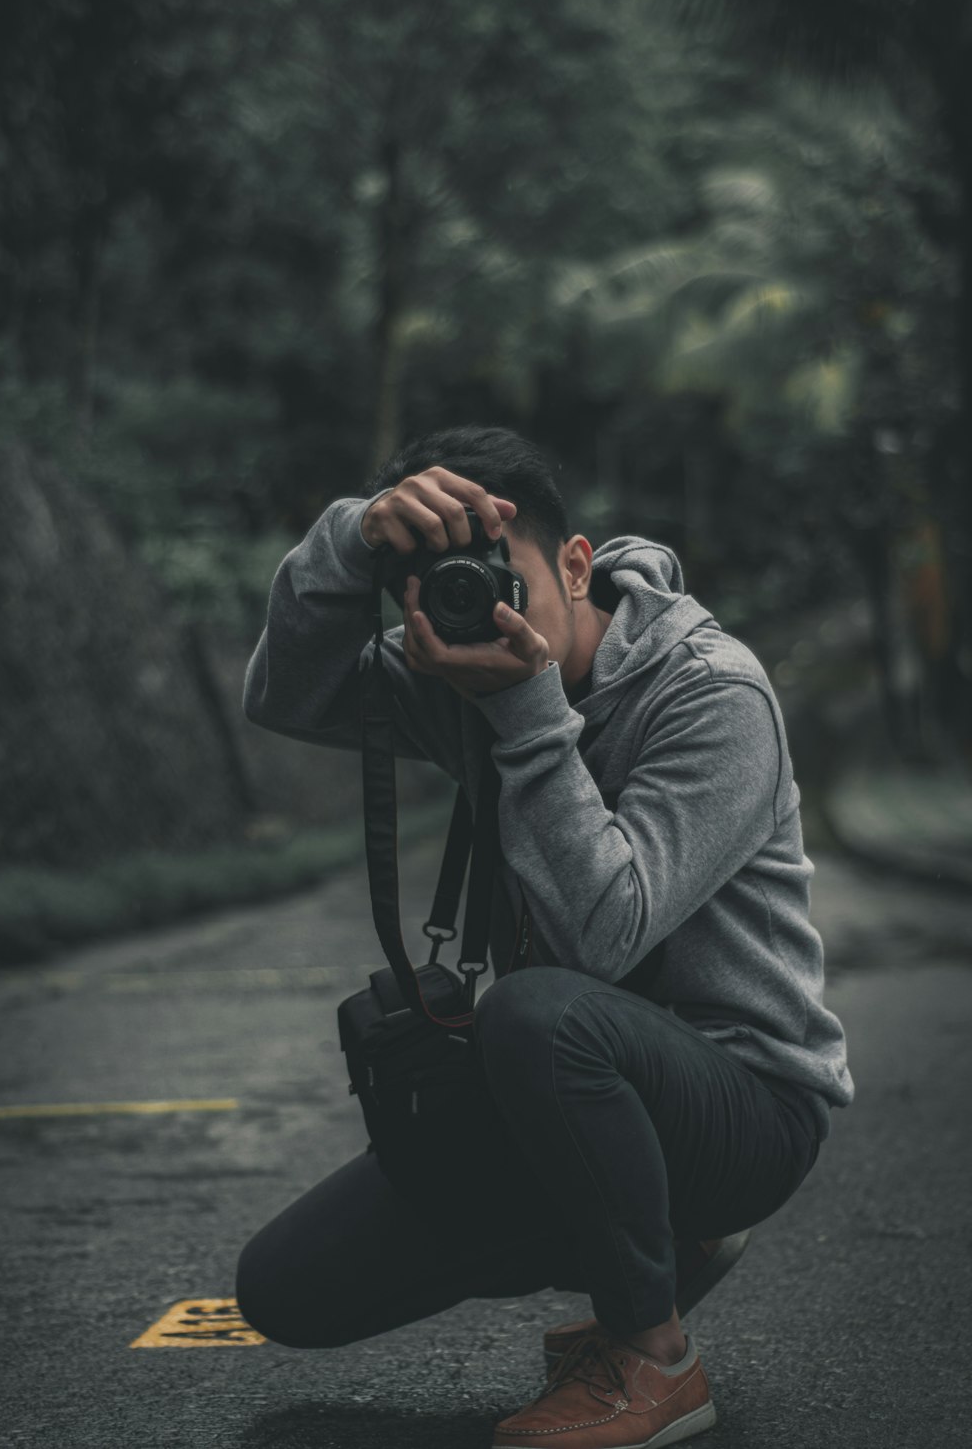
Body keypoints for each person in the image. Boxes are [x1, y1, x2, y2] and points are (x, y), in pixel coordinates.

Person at [235, 426, 854, 1449]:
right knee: (287, 1290)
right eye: (441, 585)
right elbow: (286, 694)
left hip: (744, 1103)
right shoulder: (454, 667)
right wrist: (345, 541)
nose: (479, 606)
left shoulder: (711, 691)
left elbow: (601, 937)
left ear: (575, 563)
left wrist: (523, 712)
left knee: (536, 1010)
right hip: (562, 1091)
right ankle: (660, 1238)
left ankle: (653, 1356)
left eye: (498, 576)